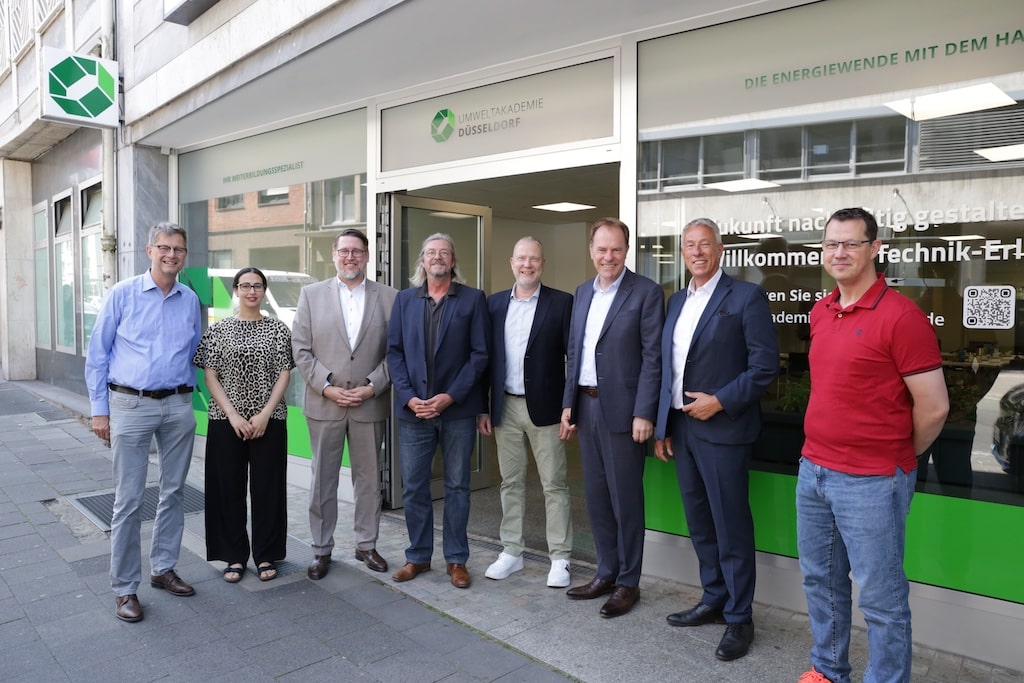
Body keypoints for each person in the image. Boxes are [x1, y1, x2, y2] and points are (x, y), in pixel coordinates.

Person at [797, 207, 948, 683]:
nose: (839, 253)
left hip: (873, 480)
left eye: (851, 243)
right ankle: (828, 670)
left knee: (882, 599)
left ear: (875, 249)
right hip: (813, 470)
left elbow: (934, 408)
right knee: (821, 582)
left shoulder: (902, 317)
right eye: (831, 244)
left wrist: (896, 455)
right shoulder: (821, 310)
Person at [653, 218, 779, 661]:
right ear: (682, 253)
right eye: (690, 245)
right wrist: (663, 426)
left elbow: (764, 367)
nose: (697, 252)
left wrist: (721, 401)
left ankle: (740, 617)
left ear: (720, 249)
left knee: (730, 525)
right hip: (683, 428)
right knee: (700, 521)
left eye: (704, 244)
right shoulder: (675, 300)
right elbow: (668, 368)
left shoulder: (745, 297)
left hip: (724, 430)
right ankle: (714, 598)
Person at [85, 221, 202, 623]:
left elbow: (194, 352)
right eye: (164, 248)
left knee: (174, 492)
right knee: (129, 499)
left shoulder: (190, 299)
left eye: (178, 249)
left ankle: (163, 568)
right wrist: (100, 410)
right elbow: (98, 354)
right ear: (150, 251)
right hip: (130, 405)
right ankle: (124, 588)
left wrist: (191, 398)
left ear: (185, 255)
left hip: (178, 405)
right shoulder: (122, 294)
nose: (171, 255)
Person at [560, 217, 663, 618]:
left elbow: (653, 357)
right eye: (602, 249)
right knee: (597, 496)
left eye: (616, 249)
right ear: (591, 251)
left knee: (625, 499)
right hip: (586, 407)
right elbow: (575, 351)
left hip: (624, 411)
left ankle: (628, 582)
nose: (609, 256)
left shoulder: (646, 292)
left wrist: (644, 411)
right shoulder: (582, 292)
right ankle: (606, 572)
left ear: (626, 250)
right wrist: (568, 405)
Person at [292, 229, 398, 579]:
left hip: (370, 403)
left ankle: (366, 544)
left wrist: (372, 386)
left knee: (369, 480)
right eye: (344, 251)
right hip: (326, 404)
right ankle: (321, 549)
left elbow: (396, 352)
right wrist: (326, 387)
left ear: (367, 256)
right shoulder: (311, 295)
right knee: (323, 479)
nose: (350, 257)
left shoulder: (391, 297)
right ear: (334, 254)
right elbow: (300, 349)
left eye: (357, 251)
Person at [386, 233, 489, 589]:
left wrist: (451, 396)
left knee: (458, 486)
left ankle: (457, 559)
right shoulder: (404, 300)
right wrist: (408, 396)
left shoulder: (473, 299)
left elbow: (480, 355)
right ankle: (418, 556)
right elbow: (394, 353)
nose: (437, 257)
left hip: (457, 411)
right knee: (414, 487)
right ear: (422, 260)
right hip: (414, 412)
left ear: (453, 260)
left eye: (444, 252)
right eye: (431, 252)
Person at [477, 237, 574, 588]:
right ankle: (512, 552)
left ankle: (560, 557)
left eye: (533, 259)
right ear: (511, 262)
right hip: (504, 406)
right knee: (511, 482)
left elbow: (574, 358)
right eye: (521, 258)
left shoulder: (562, 303)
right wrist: (483, 406)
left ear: (542, 263)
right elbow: (485, 360)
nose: (527, 265)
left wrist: (570, 406)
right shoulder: (493, 304)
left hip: (546, 409)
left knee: (554, 485)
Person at [193, 267, 294, 583]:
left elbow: (284, 373)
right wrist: (233, 415)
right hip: (225, 420)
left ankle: (266, 554)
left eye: (258, 286)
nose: (252, 291)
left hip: (269, 420)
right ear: (236, 289)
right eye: (245, 285)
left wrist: (265, 414)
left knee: (268, 489)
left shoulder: (278, 329)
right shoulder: (218, 330)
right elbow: (210, 375)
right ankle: (234, 555)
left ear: (264, 290)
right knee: (227, 489)